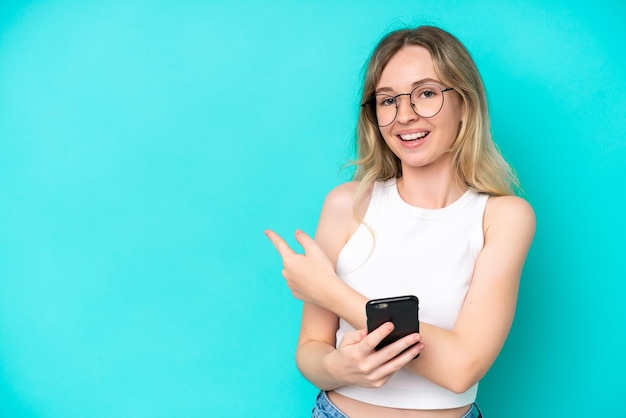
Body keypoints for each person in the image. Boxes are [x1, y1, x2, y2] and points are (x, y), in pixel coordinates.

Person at [265, 25, 535, 418]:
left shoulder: (503, 217)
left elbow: (462, 368)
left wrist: (329, 291)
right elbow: (310, 351)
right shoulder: (347, 205)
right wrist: (338, 367)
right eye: (387, 100)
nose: (404, 115)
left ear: (465, 104)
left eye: (426, 93)